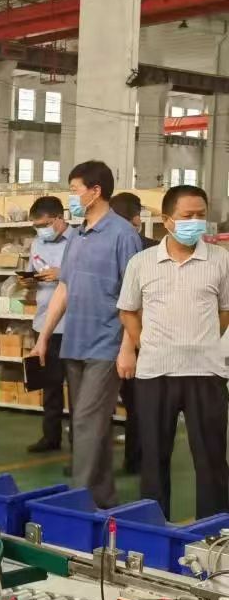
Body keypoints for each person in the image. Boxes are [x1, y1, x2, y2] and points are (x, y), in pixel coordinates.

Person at [32, 161, 142, 508]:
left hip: (106, 343)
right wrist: (44, 336)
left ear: (96, 191)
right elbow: (64, 287)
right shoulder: (77, 235)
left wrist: (128, 347)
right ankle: (102, 498)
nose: (72, 197)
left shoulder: (123, 235)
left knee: (85, 424)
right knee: (92, 425)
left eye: (75, 189)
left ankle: (78, 503)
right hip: (75, 342)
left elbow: (135, 297)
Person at [118, 186, 229, 519]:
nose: (195, 222)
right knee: (153, 458)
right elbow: (128, 310)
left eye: (200, 215)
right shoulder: (141, 263)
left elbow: (225, 310)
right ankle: (154, 528)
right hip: (156, 373)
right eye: (187, 215)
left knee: (211, 459)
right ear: (167, 220)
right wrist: (146, 343)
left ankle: (214, 533)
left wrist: (202, 340)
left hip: (206, 372)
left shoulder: (221, 260)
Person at [109, 191, 158, 473]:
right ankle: (134, 460)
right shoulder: (153, 249)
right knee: (136, 404)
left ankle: (127, 459)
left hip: (124, 335)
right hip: (130, 335)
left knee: (129, 403)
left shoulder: (149, 251)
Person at [24, 196, 74, 455]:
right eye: (36, 226)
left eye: (44, 224)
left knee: (77, 387)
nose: (40, 230)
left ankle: (79, 440)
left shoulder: (79, 241)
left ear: (59, 218)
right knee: (50, 385)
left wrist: (61, 273)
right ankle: (50, 436)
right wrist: (29, 280)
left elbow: (89, 276)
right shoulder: (36, 243)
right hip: (44, 324)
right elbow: (33, 270)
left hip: (73, 325)